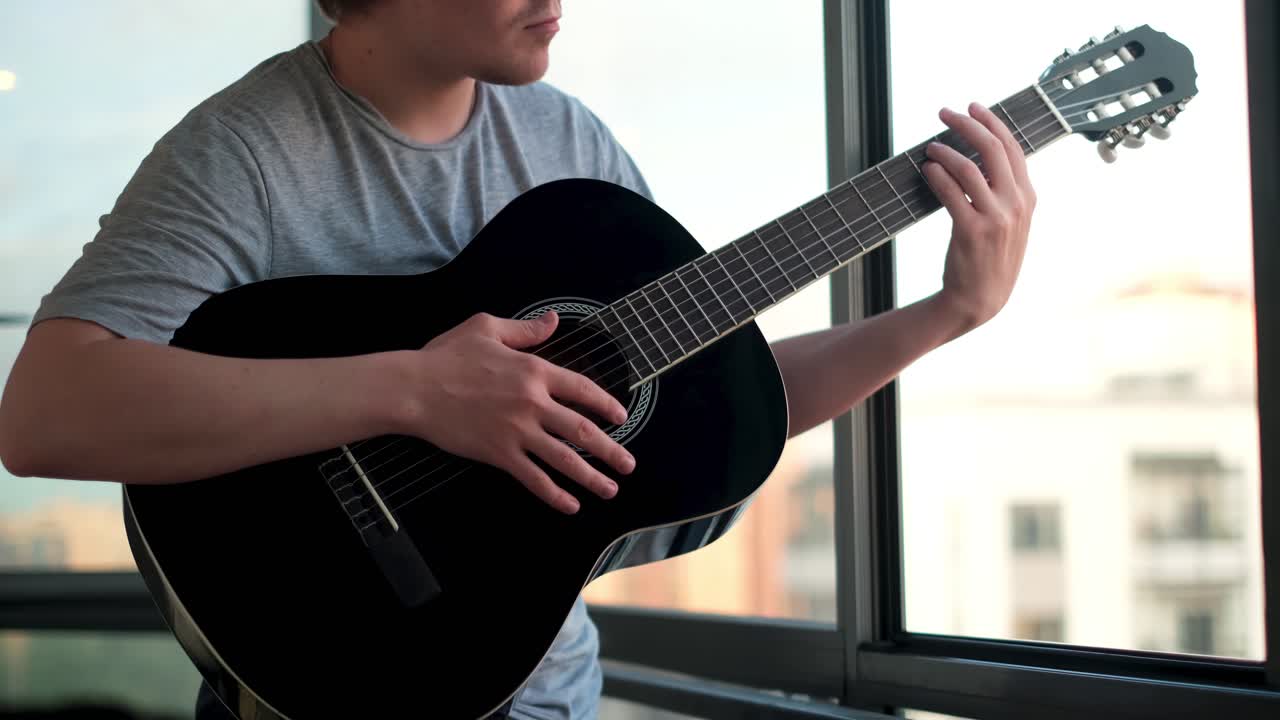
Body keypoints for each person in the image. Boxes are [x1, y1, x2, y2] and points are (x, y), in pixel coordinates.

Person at [0, 1, 1037, 718]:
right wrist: (412, 389)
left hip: (539, 693)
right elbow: (45, 414)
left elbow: (711, 406)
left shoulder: (563, 143)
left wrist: (945, 313)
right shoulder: (247, 152)